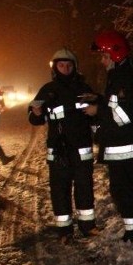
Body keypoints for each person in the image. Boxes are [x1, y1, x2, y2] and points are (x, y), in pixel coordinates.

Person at [28, 48, 99, 240]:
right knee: (60, 189)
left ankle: (88, 226)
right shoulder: (47, 90)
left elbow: (97, 115)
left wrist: (97, 113)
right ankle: (64, 230)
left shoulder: (84, 89)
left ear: (75, 67)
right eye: (61, 65)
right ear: (55, 67)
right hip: (58, 149)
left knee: (84, 186)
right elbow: (34, 116)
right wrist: (35, 113)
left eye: (69, 65)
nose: (65, 68)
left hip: (81, 147)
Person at [87, 30, 133, 243]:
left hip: (125, 145)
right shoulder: (120, 76)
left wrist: (98, 111)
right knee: (127, 189)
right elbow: (117, 105)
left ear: (115, 54)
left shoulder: (123, 79)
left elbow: (123, 116)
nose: (102, 61)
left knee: (122, 191)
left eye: (104, 56)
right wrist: (99, 100)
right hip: (126, 144)